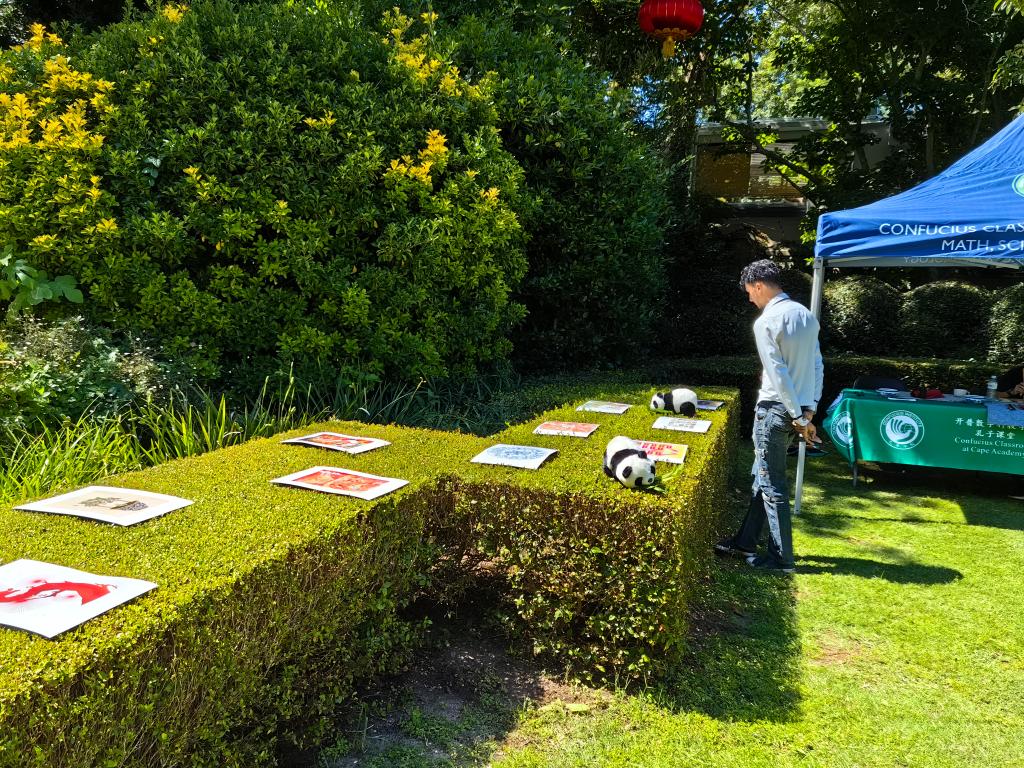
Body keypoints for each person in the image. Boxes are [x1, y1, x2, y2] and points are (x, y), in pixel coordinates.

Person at [714, 260, 824, 574]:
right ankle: (745, 542)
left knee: (772, 485)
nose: (750, 299)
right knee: (763, 478)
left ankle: (781, 560)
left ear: (759, 285)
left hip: (776, 411)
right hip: (797, 410)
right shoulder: (805, 315)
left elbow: (777, 375)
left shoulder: (766, 321)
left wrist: (798, 416)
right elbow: (817, 364)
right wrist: (809, 409)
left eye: (750, 292)